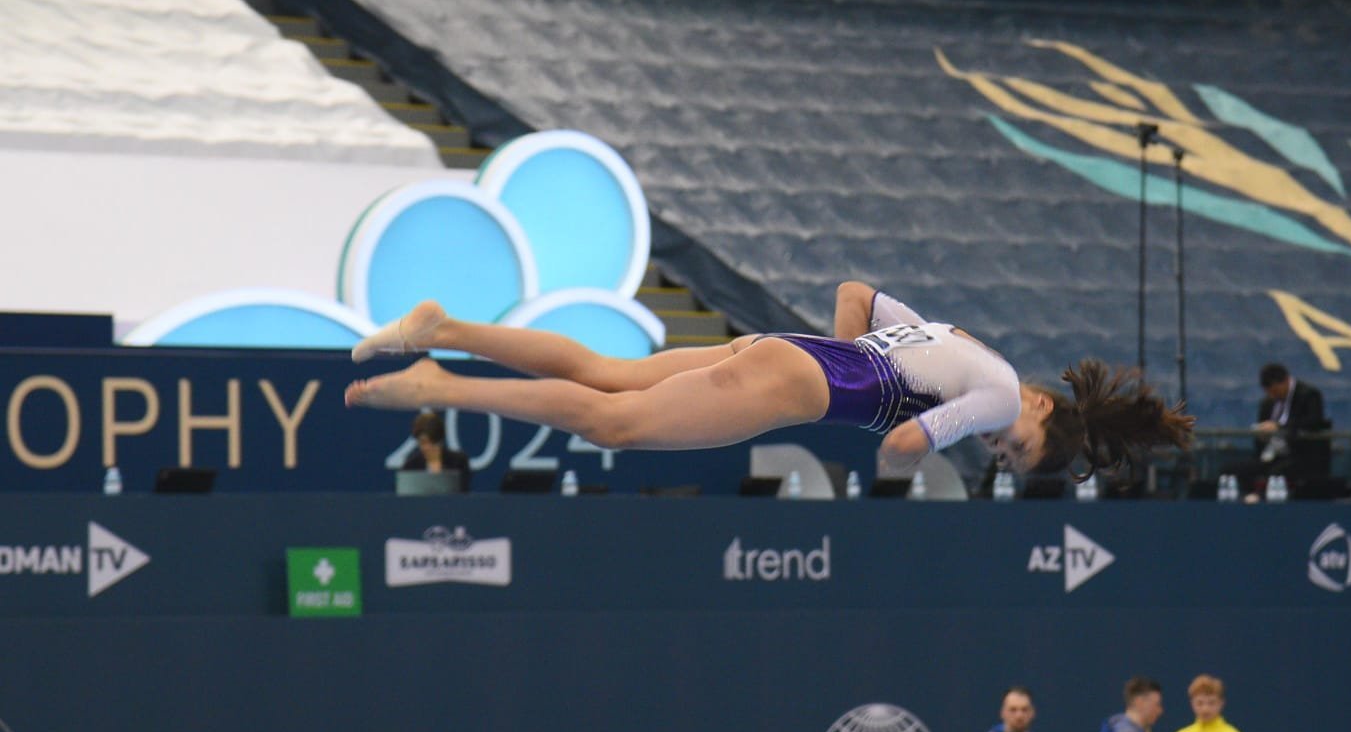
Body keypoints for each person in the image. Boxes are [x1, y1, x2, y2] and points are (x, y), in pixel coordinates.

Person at [346, 282, 1193, 479]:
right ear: (1039, 405)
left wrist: (838, 365)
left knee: (607, 374)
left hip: (789, 356)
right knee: (614, 424)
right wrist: (904, 455)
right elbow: (906, 440)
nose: (1001, 443)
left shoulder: (966, 344)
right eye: (1017, 443)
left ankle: (443, 328)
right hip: (798, 384)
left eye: (1007, 455)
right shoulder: (1000, 395)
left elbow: (854, 293)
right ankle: (441, 386)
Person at [1225, 363, 1328, 499]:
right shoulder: (1267, 403)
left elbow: (1314, 422)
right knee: (1231, 470)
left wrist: (1280, 427)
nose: (1272, 395)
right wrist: (1262, 435)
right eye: (1269, 392)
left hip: (1299, 455)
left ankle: (1259, 497)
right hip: (1270, 455)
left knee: (1277, 473)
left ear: (1285, 381)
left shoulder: (1308, 395)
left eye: (1275, 391)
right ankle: (1243, 500)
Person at [402, 411, 471, 483]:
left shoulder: (458, 462)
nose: (427, 447)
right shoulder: (411, 466)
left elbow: (463, 487)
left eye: (432, 442)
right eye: (423, 442)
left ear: (440, 440)